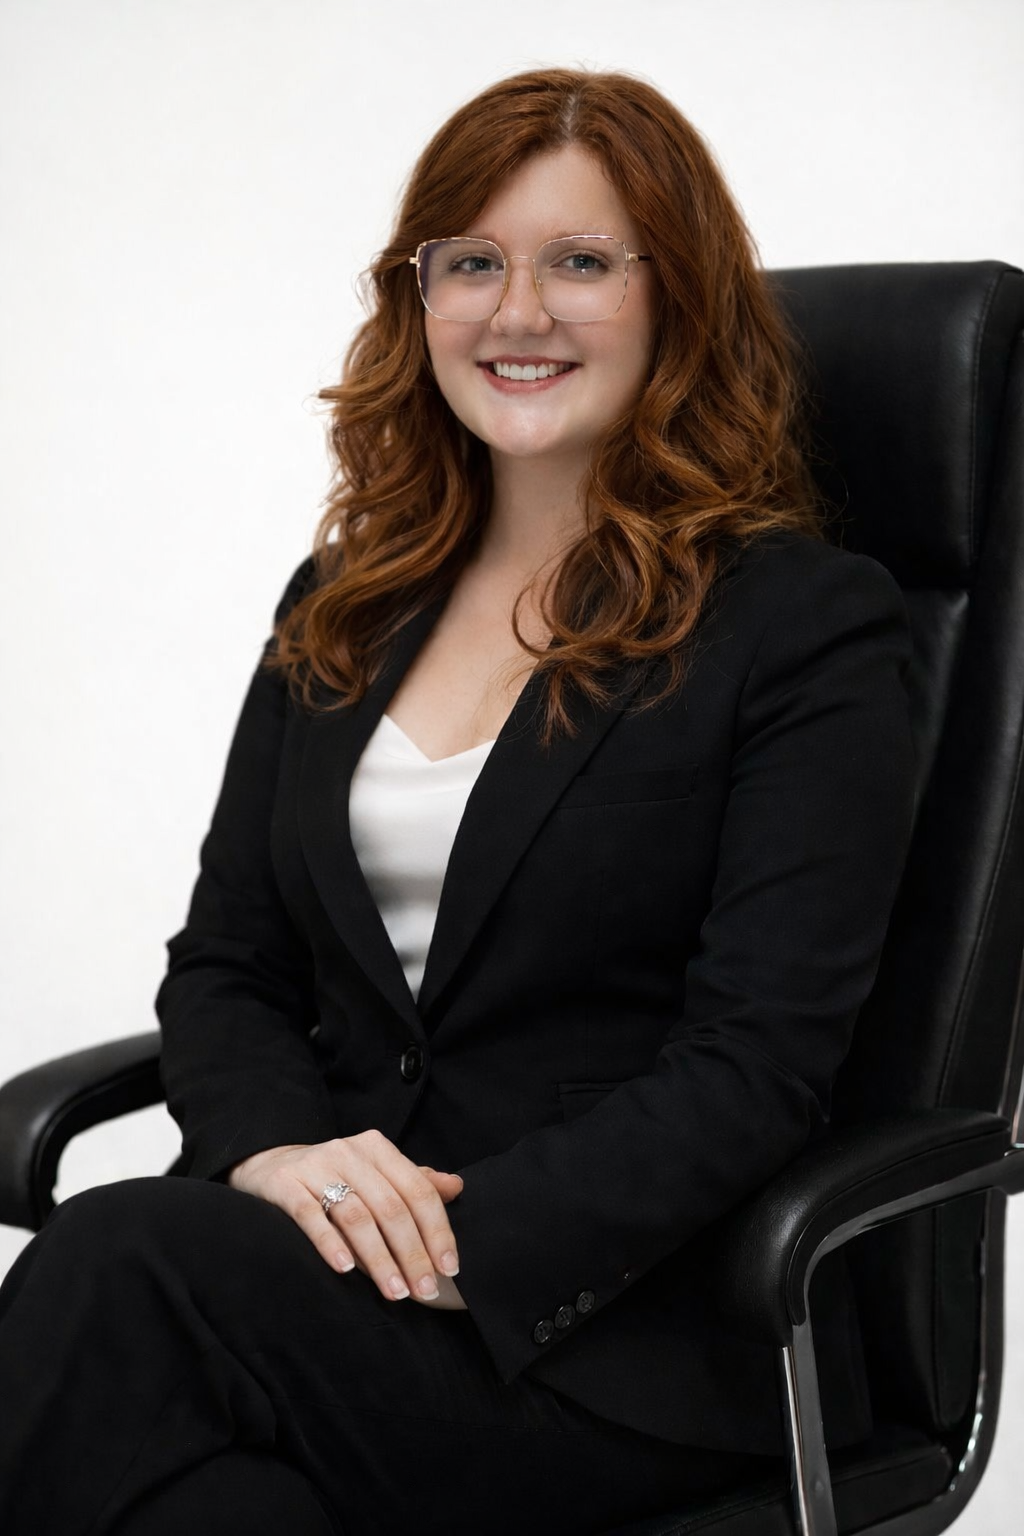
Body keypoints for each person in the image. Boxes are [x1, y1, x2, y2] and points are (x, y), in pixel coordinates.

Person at [0, 67, 915, 1535]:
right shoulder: (346, 602)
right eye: (472, 262)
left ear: (677, 300)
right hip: (323, 1295)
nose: (517, 312)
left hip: (620, 1334)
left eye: (581, 263)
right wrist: (278, 1158)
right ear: (417, 298)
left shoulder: (800, 625)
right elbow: (230, 963)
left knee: (118, 1267)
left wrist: (453, 1242)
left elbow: (758, 1064)